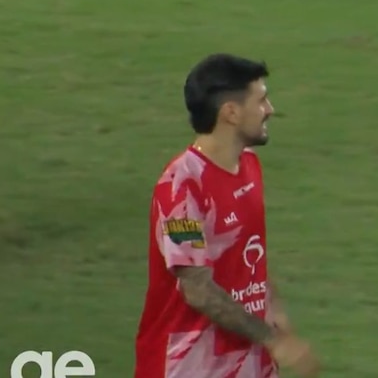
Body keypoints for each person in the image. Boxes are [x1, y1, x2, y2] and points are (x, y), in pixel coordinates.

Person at [134, 54, 320, 378]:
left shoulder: (249, 166)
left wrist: (273, 310)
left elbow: (251, 252)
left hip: (246, 361)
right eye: (261, 100)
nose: (270, 110)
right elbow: (198, 291)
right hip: (188, 366)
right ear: (230, 113)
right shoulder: (181, 189)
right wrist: (273, 340)